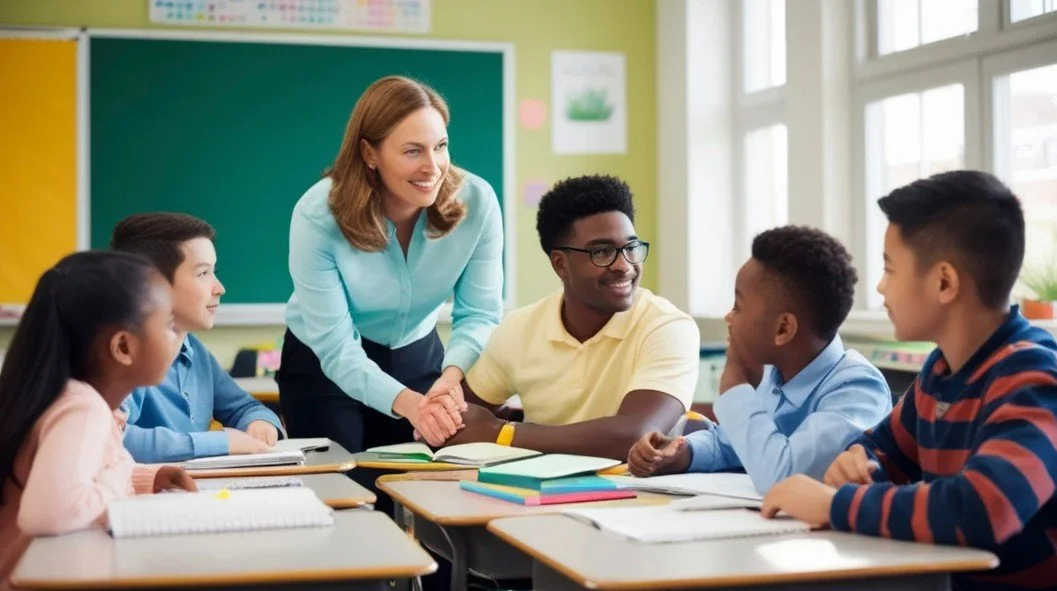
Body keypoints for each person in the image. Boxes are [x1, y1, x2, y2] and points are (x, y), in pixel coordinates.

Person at [761, 170, 1057, 591]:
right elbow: (882, 446)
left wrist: (835, 503)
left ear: (943, 282)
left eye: (889, 268)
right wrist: (861, 462)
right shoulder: (941, 372)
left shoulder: (1032, 377)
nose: (880, 287)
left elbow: (985, 508)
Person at [277, 75, 503, 491]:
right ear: (369, 153)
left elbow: (481, 313)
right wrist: (411, 406)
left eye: (441, 147)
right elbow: (337, 348)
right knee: (344, 495)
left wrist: (449, 383)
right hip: (323, 366)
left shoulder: (478, 202)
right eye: (412, 151)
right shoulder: (317, 214)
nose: (432, 167)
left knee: (427, 494)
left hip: (420, 359)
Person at [432, 174, 699, 460]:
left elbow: (635, 435)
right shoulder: (519, 330)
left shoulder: (667, 326)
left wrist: (502, 432)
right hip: (535, 495)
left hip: (641, 497)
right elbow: (459, 418)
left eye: (631, 247)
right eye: (602, 252)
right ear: (560, 263)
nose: (624, 266)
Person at [626, 226, 891, 493]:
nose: (728, 317)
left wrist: (734, 386)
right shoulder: (773, 373)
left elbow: (785, 477)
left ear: (783, 329)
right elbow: (728, 445)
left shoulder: (857, 388)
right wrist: (681, 453)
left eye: (738, 306)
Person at [0, 251, 197, 590]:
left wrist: (145, 477)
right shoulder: (82, 410)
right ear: (123, 346)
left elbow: (79, 475)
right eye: (168, 324)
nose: (176, 335)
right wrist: (120, 473)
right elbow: (48, 513)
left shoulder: (70, 398)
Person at [111, 213, 284, 463]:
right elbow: (115, 439)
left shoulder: (194, 349)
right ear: (155, 283)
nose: (219, 288)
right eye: (203, 273)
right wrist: (221, 442)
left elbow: (245, 407)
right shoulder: (123, 355)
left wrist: (259, 423)